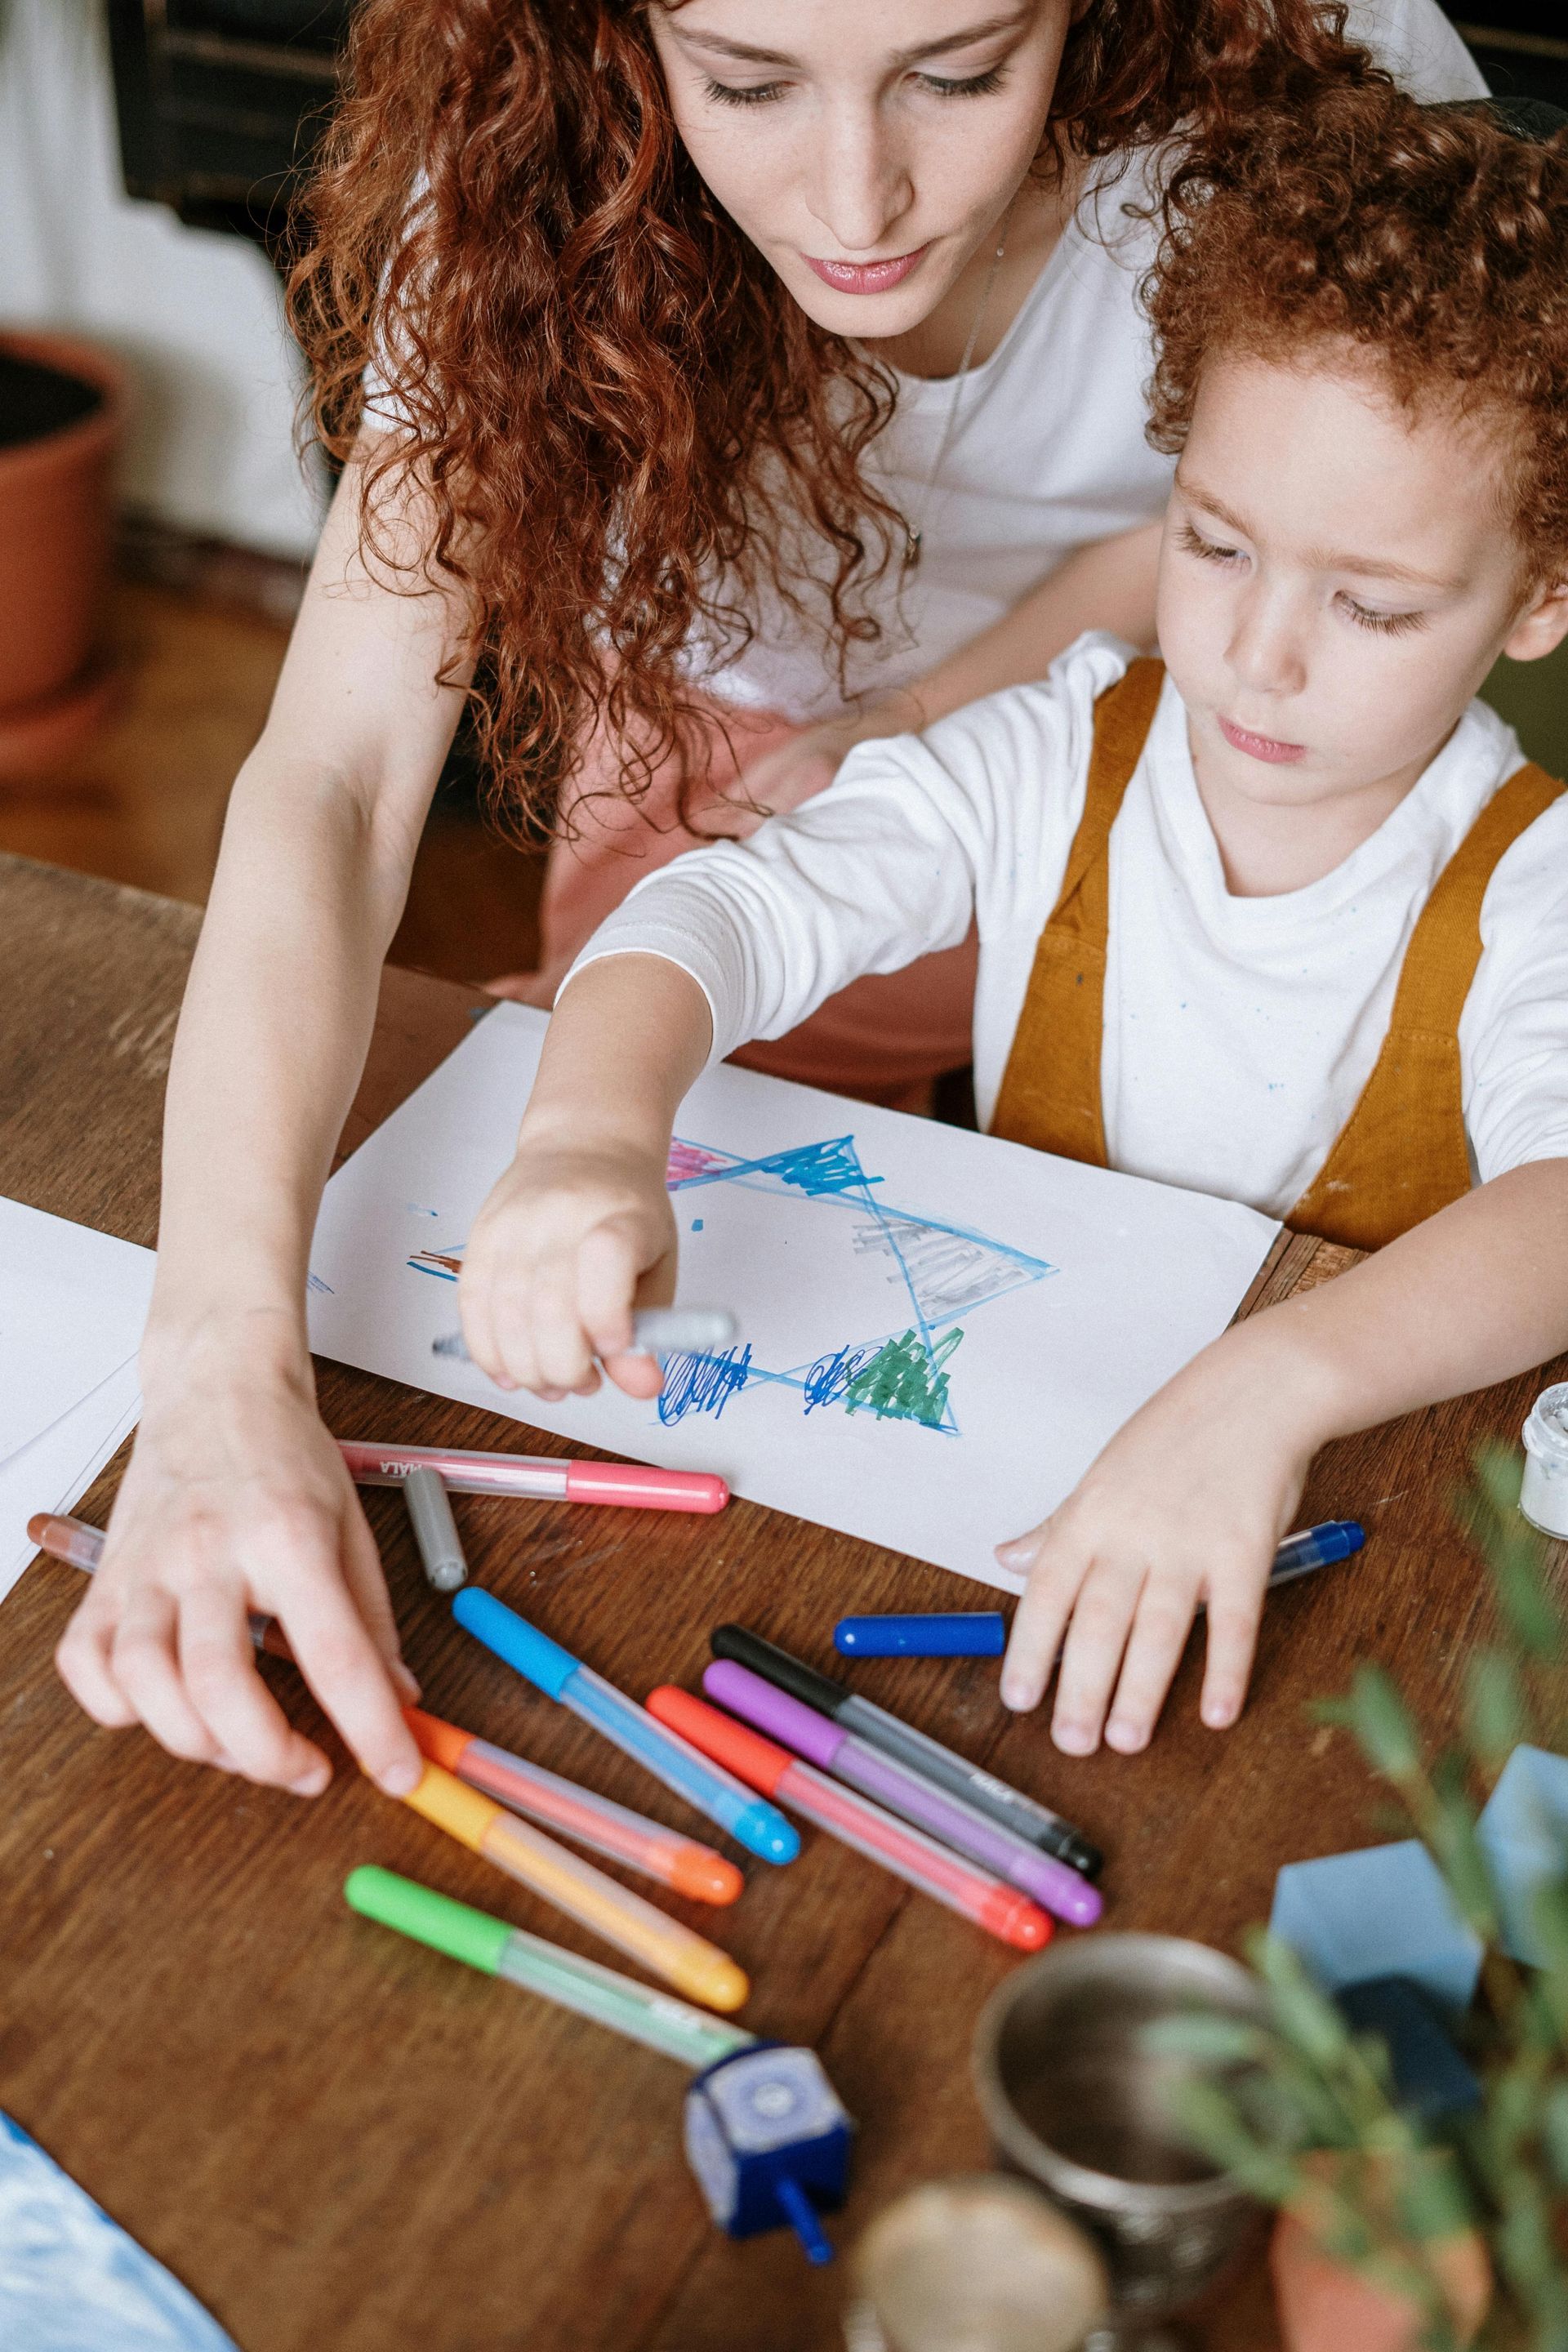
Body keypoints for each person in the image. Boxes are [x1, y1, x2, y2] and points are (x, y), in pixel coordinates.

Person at [55, 0, 1482, 1798]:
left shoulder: (1315, 69)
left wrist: (921, 723)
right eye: (743, 84)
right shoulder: (522, 167)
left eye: (961, 73)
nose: (859, 192)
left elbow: (1297, 513)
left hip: (1160, 749)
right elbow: (335, 784)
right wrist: (210, 1375)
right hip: (715, 769)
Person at [455, 87, 1568, 1757]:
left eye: (1372, 604)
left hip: (1378, 1560)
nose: (1258, 656)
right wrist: (588, 1139)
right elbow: (719, 912)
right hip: (1019, 1486)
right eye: (1213, 543)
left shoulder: (1536, 877)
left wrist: (1265, 1388)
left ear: (1539, 597)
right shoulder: (1057, 753)